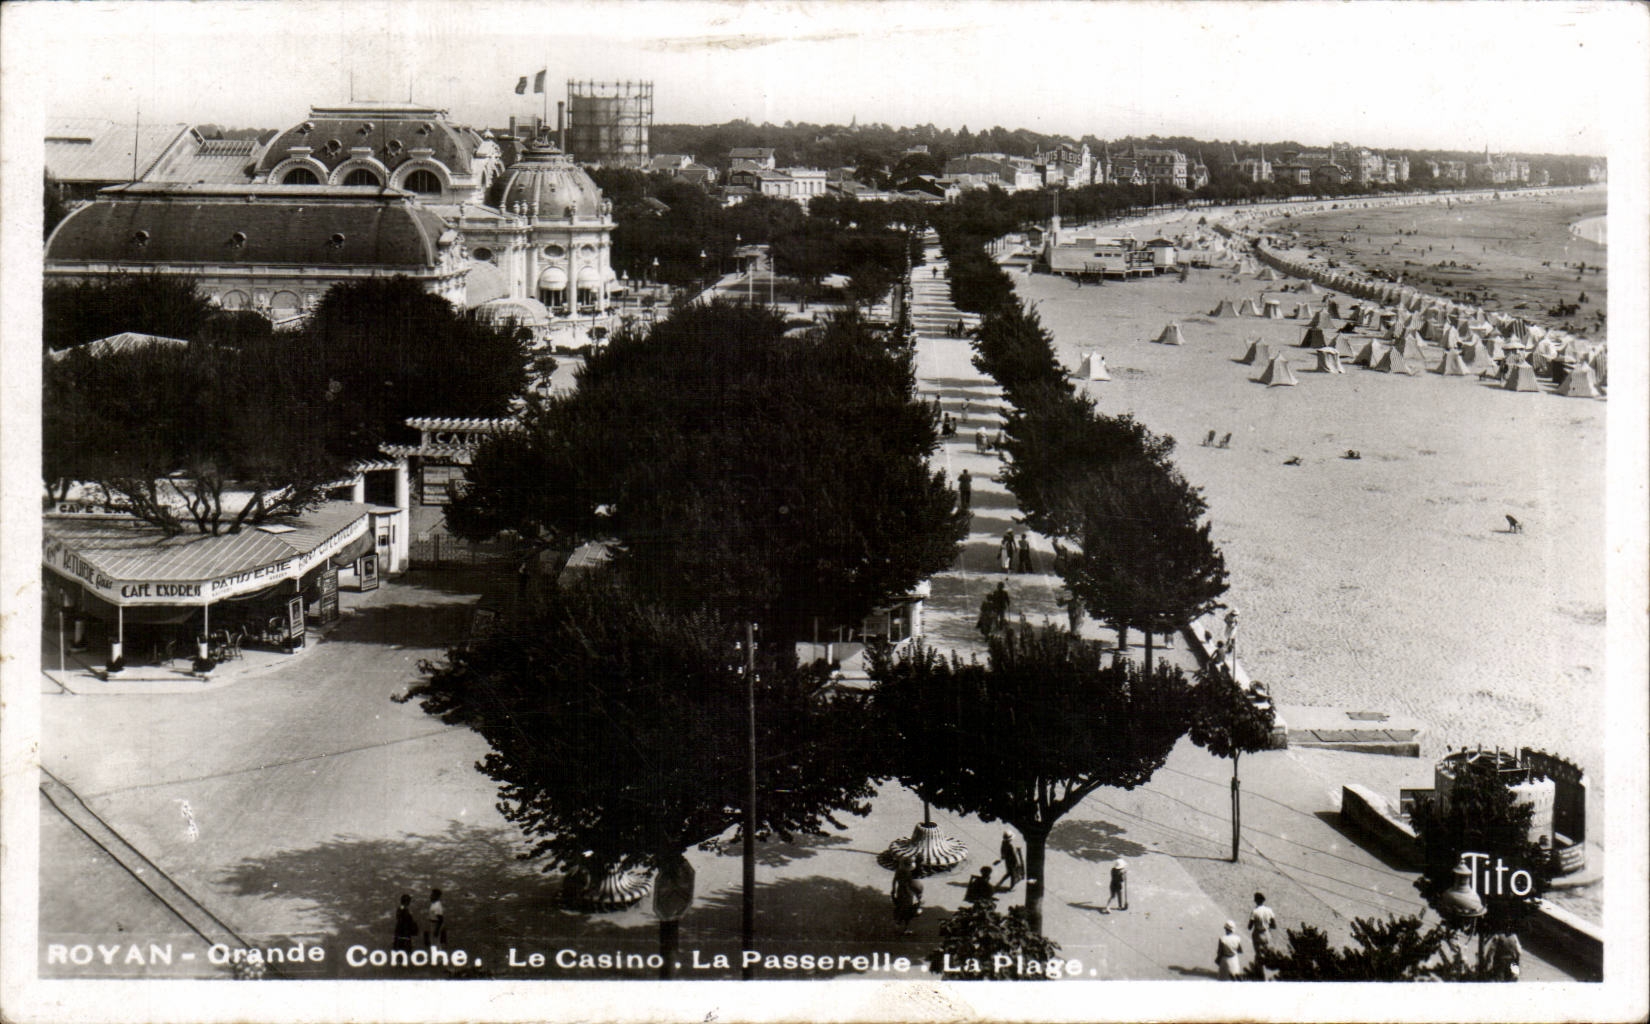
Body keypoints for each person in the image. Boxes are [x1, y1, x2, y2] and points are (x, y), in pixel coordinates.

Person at [890, 856, 923, 934]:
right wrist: (918, 895)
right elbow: (912, 885)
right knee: (908, 910)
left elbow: (894, 881)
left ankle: (897, 924)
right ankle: (905, 928)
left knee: (900, 907)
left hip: (900, 891)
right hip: (908, 892)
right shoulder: (908, 873)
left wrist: (893, 889)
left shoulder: (898, 871)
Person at [1247, 892, 1277, 968]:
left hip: (1258, 935)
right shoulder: (1269, 910)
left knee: (1258, 954)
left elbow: (1249, 927)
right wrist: (1267, 925)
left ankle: (1258, 970)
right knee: (1266, 953)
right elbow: (1274, 926)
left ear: (1256, 901)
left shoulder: (1255, 911)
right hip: (1267, 934)